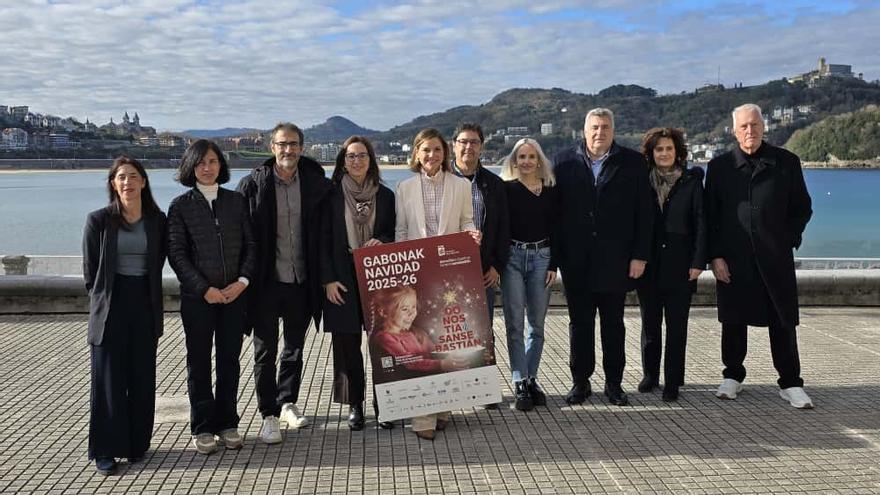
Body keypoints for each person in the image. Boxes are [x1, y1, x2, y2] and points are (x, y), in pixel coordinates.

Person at [706, 103, 814, 408]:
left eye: (754, 125)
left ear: (763, 127)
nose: (749, 131)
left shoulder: (786, 162)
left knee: (783, 322)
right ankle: (732, 376)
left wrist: (787, 241)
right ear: (734, 130)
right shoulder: (719, 167)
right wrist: (715, 257)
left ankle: (790, 382)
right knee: (733, 320)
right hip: (733, 258)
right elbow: (710, 216)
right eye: (743, 126)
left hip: (775, 257)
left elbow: (802, 208)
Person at [236, 122, 332, 444]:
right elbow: (240, 236)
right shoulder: (252, 185)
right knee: (265, 351)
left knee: (294, 348)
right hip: (265, 282)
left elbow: (328, 233)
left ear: (302, 148)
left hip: (301, 281)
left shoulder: (316, 184)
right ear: (271, 147)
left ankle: (287, 401)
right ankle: (268, 414)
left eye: (293, 144)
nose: (287, 150)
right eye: (281, 144)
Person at [553, 108, 653, 407]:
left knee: (613, 325)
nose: (600, 132)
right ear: (584, 130)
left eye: (606, 127)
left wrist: (640, 256)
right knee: (579, 326)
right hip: (576, 262)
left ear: (613, 130)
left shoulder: (633, 163)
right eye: (594, 127)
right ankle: (580, 383)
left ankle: (614, 384)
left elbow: (644, 214)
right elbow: (555, 215)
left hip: (616, 260)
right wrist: (556, 259)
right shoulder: (563, 161)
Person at [168, 139, 256, 454]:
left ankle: (228, 423)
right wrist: (204, 289)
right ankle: (203, 426)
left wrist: (242, 282)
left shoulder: (237, 201)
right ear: (191, 167)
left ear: (221, 166)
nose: (208, 168)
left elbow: (251, 246)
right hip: (198, 300)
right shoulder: (180, 206)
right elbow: (177, 255)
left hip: (235, 296)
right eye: (201, 162)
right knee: (199, 363)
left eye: (213, 162)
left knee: (230, 361)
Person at [83, 156, 166, 475]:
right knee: (108, 380)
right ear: (113, 184)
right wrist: (105, 300)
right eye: (121, 177)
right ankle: (105, 449)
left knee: (142, 378)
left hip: (144, 304)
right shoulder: (99, 220)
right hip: (110, 308)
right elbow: (91, 273)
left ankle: (135, 444)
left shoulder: (157, 220)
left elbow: (157, 263)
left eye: (133, 176)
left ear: (144, 181)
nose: (127, 182)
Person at [394, 128, 477, 440]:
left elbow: (467, 221)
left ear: (445, 153)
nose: (432, 156)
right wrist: (403, 272)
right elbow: (401, 232)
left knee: (447, 340)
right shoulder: (404, 188)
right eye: (425, 150)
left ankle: (444, 407)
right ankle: (422, 415)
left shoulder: (461, 185)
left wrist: (472, 234)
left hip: (450, 272)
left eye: (437, 150)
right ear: (416, 153)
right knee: (421, 342)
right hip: (415, 275)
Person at [320, 136, 395, 431]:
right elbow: (322, 241)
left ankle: (386, 403)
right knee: (347, 343)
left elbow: (395, 232)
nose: (356, 161)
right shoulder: (331, 196)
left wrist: (384, 241)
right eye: (350, 156)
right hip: (342, 274)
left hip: (378, 274)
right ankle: (355, 405)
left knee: (383, 342)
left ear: (371, 159)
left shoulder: (386, 196)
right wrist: (327, 279)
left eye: (362, 155)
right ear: (343, 161)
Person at [636, 128, 707, 402]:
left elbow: (702, 222)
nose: (664, 154)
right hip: (649, 262)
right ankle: (650, 374)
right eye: (658, 149)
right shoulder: (642, 181)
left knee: (677, 326)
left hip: (681, 263)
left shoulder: (691, 181)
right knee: (649, 324)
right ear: (651, 153)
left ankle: (673, 380)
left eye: (668, 149)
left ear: (677, 152)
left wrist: (698, 261)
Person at [498, 138, 558, 411]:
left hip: (542, 257)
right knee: (514, 324)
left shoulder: (551, 191)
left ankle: (532, 378)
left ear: (539, 160)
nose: (526, 162)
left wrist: (554, 264)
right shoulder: (506, 190)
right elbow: (500, 228)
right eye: (521, 157)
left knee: (537, 324)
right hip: (513, 257)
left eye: (531, 157)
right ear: (514, 161)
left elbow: (558, 229)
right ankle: (519, 380)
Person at [452, 123, 509, 410]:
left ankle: (484, 388)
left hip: (482, 269)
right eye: (463, 142)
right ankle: (451, 390)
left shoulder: (493, 184)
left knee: (482, 330)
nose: (468, 147)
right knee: (447, 332)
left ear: (482, 146)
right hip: (445, 271)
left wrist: (497, 265)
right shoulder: (440, 178)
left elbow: (502, 229)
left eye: (474, 142)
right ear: (454, 145)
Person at [369, 286, 467, 381]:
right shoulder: (385, 337)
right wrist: (442, 364)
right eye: (405, 309)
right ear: (384, 312)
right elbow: (410, 362)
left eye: (414, 307)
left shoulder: (417, 333)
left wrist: (455, 351)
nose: (412, 313)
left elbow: (435, 350)